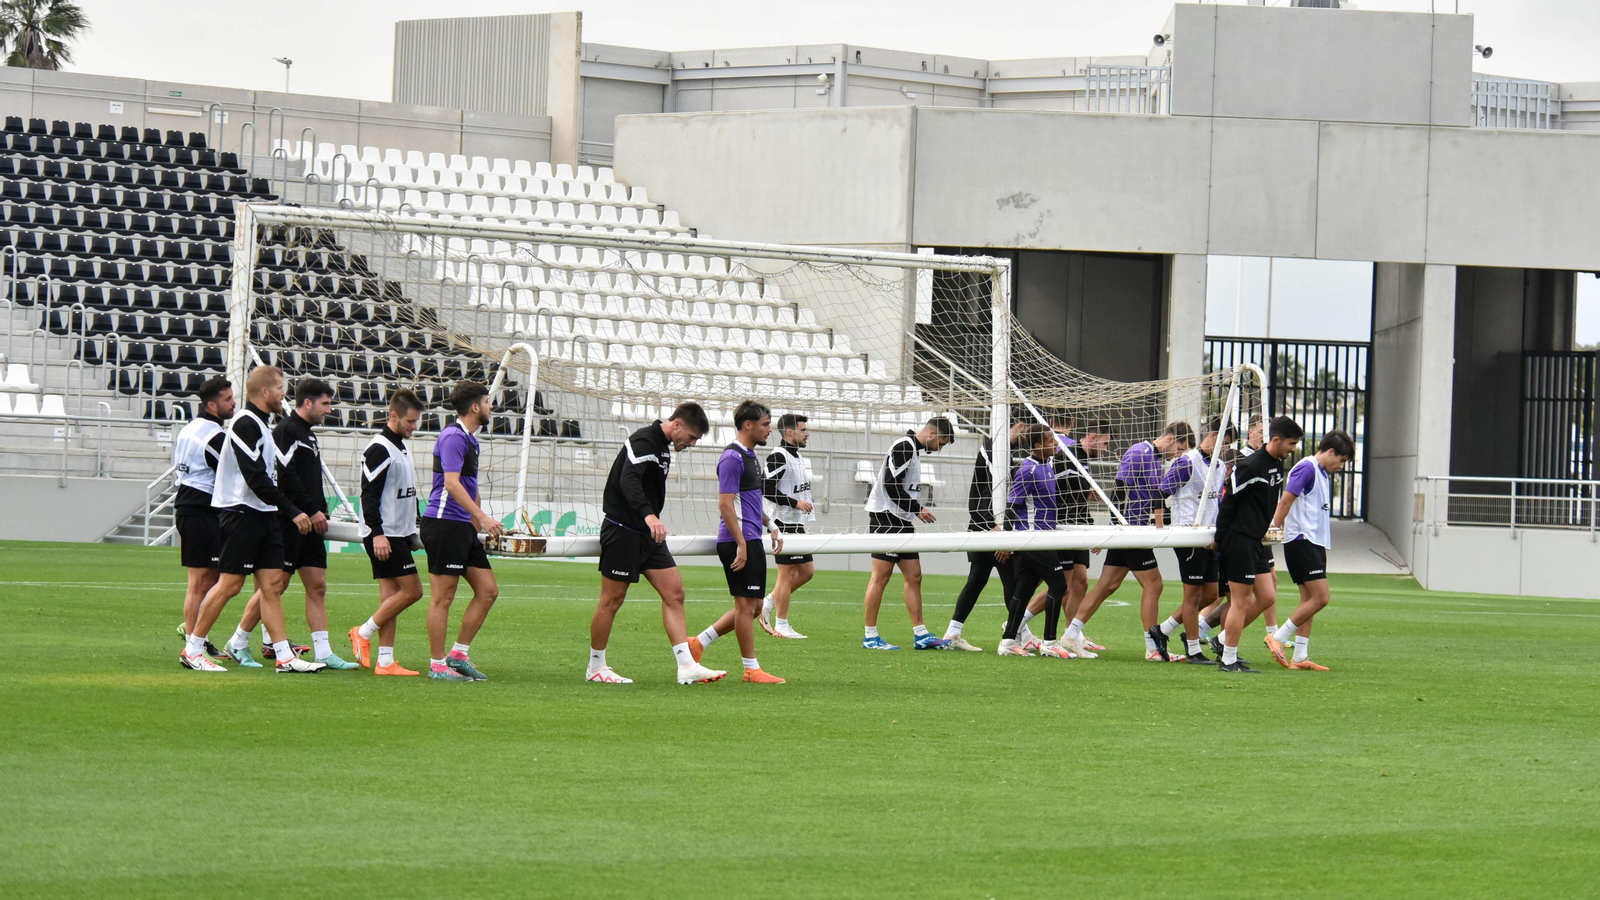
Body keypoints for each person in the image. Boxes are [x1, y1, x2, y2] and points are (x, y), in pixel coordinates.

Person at [180, 366, 324, 674]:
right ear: (264, 392)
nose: (284, 394)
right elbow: (255, 477)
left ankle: (285, 657)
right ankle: (193, 649)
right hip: (241, 513)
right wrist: (293, 510)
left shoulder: (261, 424)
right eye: (280, 389)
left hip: (264, 514)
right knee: (230, 585)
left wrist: (281, 509)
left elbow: (265, 479)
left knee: (272, 586)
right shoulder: (245, 423)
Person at [585, 402, 726, 685]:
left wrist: (650, 521)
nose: (693, 443)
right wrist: (649, 515)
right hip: (623, 530)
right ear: (677, 425)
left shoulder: (663, 447)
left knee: (675, 593)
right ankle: (595, 667)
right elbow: (629, 480)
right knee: (612, 600)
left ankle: (686, 665)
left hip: (648, 535)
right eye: (693, 437)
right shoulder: (644, 440)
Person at [225, 378, 356, 669]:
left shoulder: (307, 434)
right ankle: (237, 640)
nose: (329, 409)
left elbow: (306, 480)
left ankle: (324, 652)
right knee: (275, 585)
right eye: (325, 403)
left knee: (317, 585)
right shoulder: (286, 431)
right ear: (307, 402)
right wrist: (307, 510)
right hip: (290, 521)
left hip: (311, 523)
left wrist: (318, 509)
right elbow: (286, 478)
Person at [1063, 421, 1194, 660]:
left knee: (1107, 586)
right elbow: (1120, 487)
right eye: (1180, 448)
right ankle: (1152, 648)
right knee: (1154, 585)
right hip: (1132, 530)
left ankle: (1071, 635)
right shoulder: (1139, 452)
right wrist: (1118, 526)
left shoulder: (1155, 459)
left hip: (1136, 529)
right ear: (1171, 438)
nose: (1178, 455)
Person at [687, 401, 786, 683]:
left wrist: (771, 525)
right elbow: (725, 504)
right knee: (745, 607)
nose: (770, 429)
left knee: (754, 607)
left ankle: (699, 643)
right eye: (766, 424)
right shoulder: (732, 457)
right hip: (738, 540)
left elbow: (752, 502)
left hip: (752, 537)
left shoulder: (751, 455)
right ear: (748, 425)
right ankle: (751, 668)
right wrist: (741, 543)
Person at [417, 381, 503, 683]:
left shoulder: (470, 440)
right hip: (443, 524)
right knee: (443, 598)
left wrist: (479, 526)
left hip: (462, 526)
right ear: (476, 406)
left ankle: (458, 654)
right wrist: (481, 516)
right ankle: (437, 664)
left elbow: (470, 488)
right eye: (488, 402)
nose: (492, 407)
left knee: (488, 590)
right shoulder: (453, 436)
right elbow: (451, 484)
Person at [1214, 415, 1303, 673]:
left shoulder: (1277, 464)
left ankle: (1221, 641)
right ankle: (1228, 659)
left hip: (1257, 540)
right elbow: (1228, 503)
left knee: (1266, 596)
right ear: (1275, 440)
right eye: (1291, 443)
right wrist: (1219, 540)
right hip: (1239, 539)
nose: (1293, 449)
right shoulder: (1250, 466)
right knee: (1239, 602)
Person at [348, 390, 427, 676]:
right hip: (385, 535)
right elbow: (368, 494)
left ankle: (385, 661)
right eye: (410, 421)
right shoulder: (379, 448)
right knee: (413, 591)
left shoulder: (400, 446)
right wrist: (378, 533)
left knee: (390, 598)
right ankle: (363, 633)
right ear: (394, 416)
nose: (413, 427)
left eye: (416, 421)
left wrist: (413, 526)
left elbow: (404, 492)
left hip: (398, 533)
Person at [861, 417, 956, 650]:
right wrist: (917, 509)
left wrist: (912, 511)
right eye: (941, 443)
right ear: (932, 434)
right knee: (880, 577)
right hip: (886, 518)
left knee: (914, 576)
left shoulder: (913, 449)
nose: (940, 448)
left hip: (901, 518)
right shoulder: (904, 446)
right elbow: (890, 484)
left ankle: (921, 634)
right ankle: (870, 637)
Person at [1265, 429, 1354, 671]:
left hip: (1314, 542)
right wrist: (1274, 529)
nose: (1341, 466)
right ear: (1332, 452)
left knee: (1309, 600)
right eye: (1342, 460)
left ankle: (1301, 657)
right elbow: (1285, 500)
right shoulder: (1307, 467)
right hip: (1301, 540)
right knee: (1321, 597)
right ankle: (1278, 637)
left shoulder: (1322, 474)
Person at [1149, 418, 1234, 664]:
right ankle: (1194, 649)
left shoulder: (1218, 466)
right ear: (1214, 436)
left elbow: (1215, 501)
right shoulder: (1187, 462)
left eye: (1228, 445)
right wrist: (1160, 528)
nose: (1225, 448)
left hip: (1207, 536)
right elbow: (1161, 492)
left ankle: (1163, 629)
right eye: (1224, 443)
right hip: (1187, 535)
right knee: (1193, 595)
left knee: (1211, 593)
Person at [941, 417, 1026, 652]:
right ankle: (1019, 635)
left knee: (978, 581)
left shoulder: (1002, 452)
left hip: (987, 528)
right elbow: (979, 497)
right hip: (986, 529)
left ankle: (952, 633)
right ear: (1018, 426)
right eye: (1025, 430)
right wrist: (994, 529)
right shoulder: (993, 450)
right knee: (1012, 582)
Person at [172, 376, 234, 664]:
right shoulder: (213, 436)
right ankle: (193, 643)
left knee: (209, 577)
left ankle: (197, 636)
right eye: (227, 399)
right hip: (199, 508)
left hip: (193, 504)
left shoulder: (189, 429)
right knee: (200, 581)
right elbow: (229, 473)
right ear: (212, 405)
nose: (233, 403)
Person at [997, 422, 1072, 659]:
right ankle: (1050, 642)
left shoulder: (1047, 464)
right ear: (1038, 446)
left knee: (1025, 588)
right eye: (1051, 441)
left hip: (1043, 535)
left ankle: (1008, 641)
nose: (1055, 444)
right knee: (1059, 584)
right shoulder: (1027, 470)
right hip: (1031, 536)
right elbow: (1011, 507)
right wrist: (1007, 542)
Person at [758, 413, 815, 640]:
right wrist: (795, 502)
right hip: (781, 523)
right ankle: (781, 624)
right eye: (803, 430)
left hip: (796, 523)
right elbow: (767, 488)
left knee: (807, 572)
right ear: (789, 432)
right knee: (786, 574)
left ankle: (768, 601)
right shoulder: (778, 456)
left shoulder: (797, 457)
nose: (807, 433)